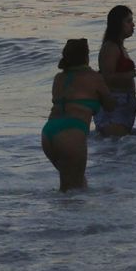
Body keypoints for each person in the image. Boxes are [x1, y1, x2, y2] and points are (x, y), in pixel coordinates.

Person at [41, 39, 113, 191]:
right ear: (86, 56)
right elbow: (110, 106)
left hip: (48, 133)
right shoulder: (94, 78)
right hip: (71, 133)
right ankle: (70, 215)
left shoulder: (58, 78)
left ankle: (56, 215)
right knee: (75, 190)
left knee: (69, 186)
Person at [96, 6, 136, 137]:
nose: (133, 25)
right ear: (118, 24)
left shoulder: (120, 46)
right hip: (114, 110)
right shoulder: (111, 47)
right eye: (129, 21)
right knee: (115, 151)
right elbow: (108, 78)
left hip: (123, 107)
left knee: (127, 149)